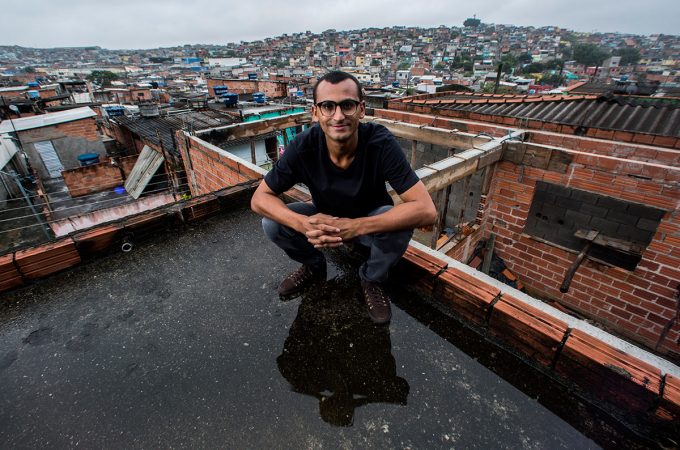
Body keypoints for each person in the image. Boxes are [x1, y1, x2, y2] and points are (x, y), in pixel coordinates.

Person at [251, 71, 436, 324]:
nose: (338, 116)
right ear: (315, 112)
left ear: (361, 110)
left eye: (347, 105)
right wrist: (304, 224)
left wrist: (355, 227)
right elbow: (259, 199)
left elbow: (426, 210)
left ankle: (371, 278)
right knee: (271, 222)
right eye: (328, 106)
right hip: (326, 218)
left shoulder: (380, 142)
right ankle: (314, 266)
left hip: (370, 225)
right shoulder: (303, 146)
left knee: (398, 222)